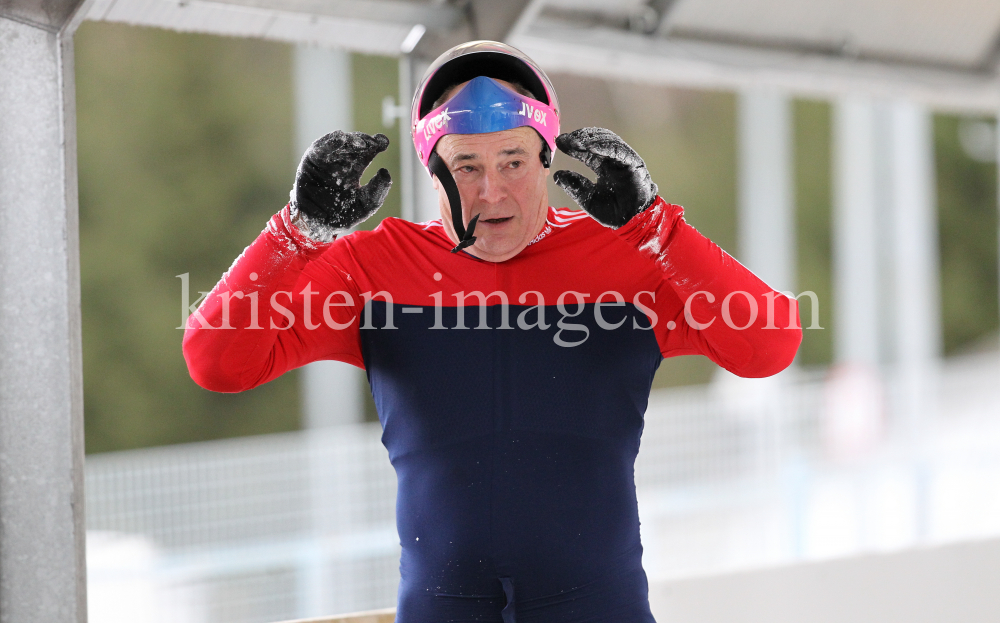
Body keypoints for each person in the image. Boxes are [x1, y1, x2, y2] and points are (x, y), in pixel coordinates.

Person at [184, 41, 801, 623]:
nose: (491, 190)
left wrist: (658, 229)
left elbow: (772, 344)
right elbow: (217, 360)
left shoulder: (632, 257)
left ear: (546, 159)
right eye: (466, 165)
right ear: (432, 171)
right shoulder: (371, 269)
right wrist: (296, 233)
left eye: (513, 160)